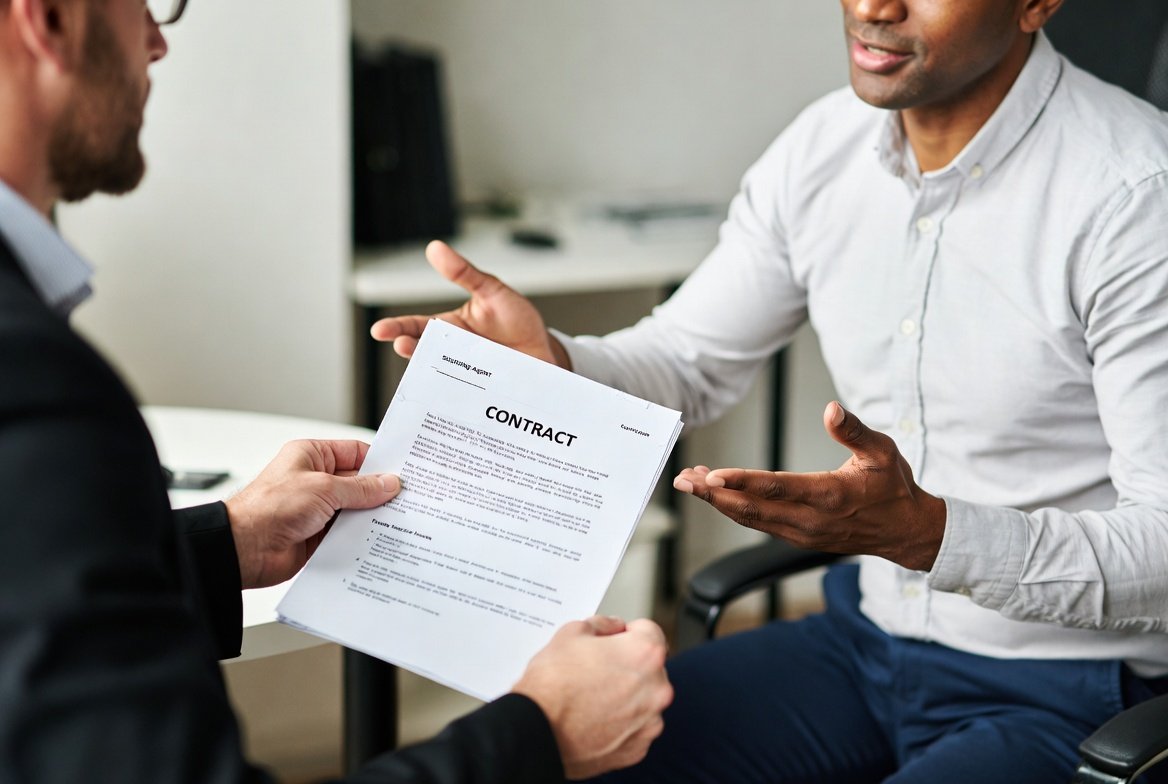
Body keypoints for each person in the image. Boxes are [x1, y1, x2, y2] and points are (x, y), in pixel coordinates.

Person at [370, 0, 1168, 780]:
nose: (872, 7)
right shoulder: (821, 148)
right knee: (561, 758)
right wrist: (555, 362)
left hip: (1071, 687)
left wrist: (929, 535)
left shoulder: (1136, 197)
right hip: (864, 642)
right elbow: (688, 359)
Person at [0, 0, 673, 782]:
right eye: (145, 8)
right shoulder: (34, 380)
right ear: (46, 19)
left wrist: (229, 545)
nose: (157, 43)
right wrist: (543, 735)